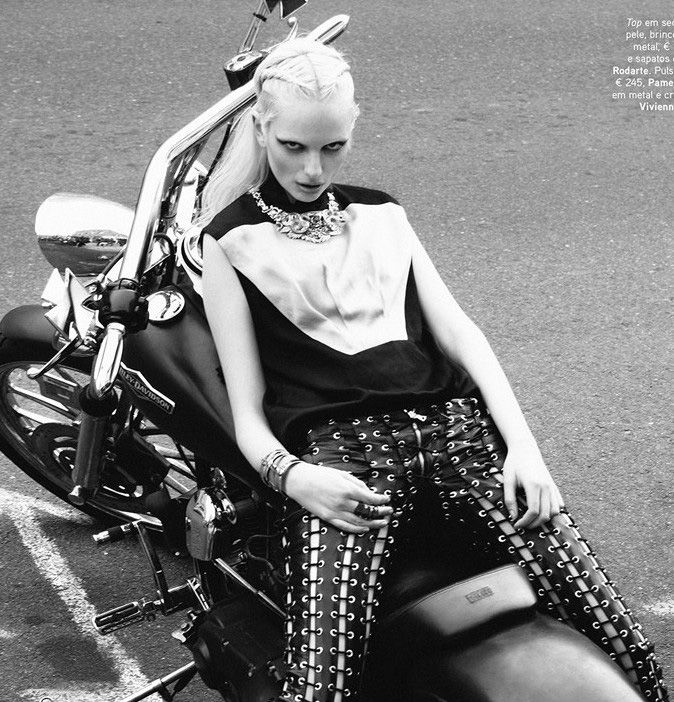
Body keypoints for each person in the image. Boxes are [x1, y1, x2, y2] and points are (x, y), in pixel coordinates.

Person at [200, 38, 666, 702]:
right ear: (260, 127)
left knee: (627, 649)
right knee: (321, 690)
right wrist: (296, 478)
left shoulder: (383, 213)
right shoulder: (229, 239)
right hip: (347, 466)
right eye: (293, 146)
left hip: (460, 440)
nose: (312, 168)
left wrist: (525, 449)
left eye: (333, 147)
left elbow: (462, 336)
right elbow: (245, 413)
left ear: (353, 130)